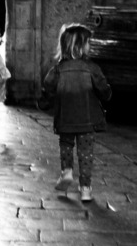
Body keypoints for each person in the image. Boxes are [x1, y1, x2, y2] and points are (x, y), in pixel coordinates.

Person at [43, 22, 112, 202]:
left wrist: (43, 103)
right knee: (86, 154)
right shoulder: (92, 68)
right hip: (87, 121)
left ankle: (66, 171)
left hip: (65, 119)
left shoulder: (57, 69)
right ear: (80, 46)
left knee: (66, 145)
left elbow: (47, 89)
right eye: (88, 42)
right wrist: (107, 94)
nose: (90, 46)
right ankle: (86, 188)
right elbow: (104, 90)